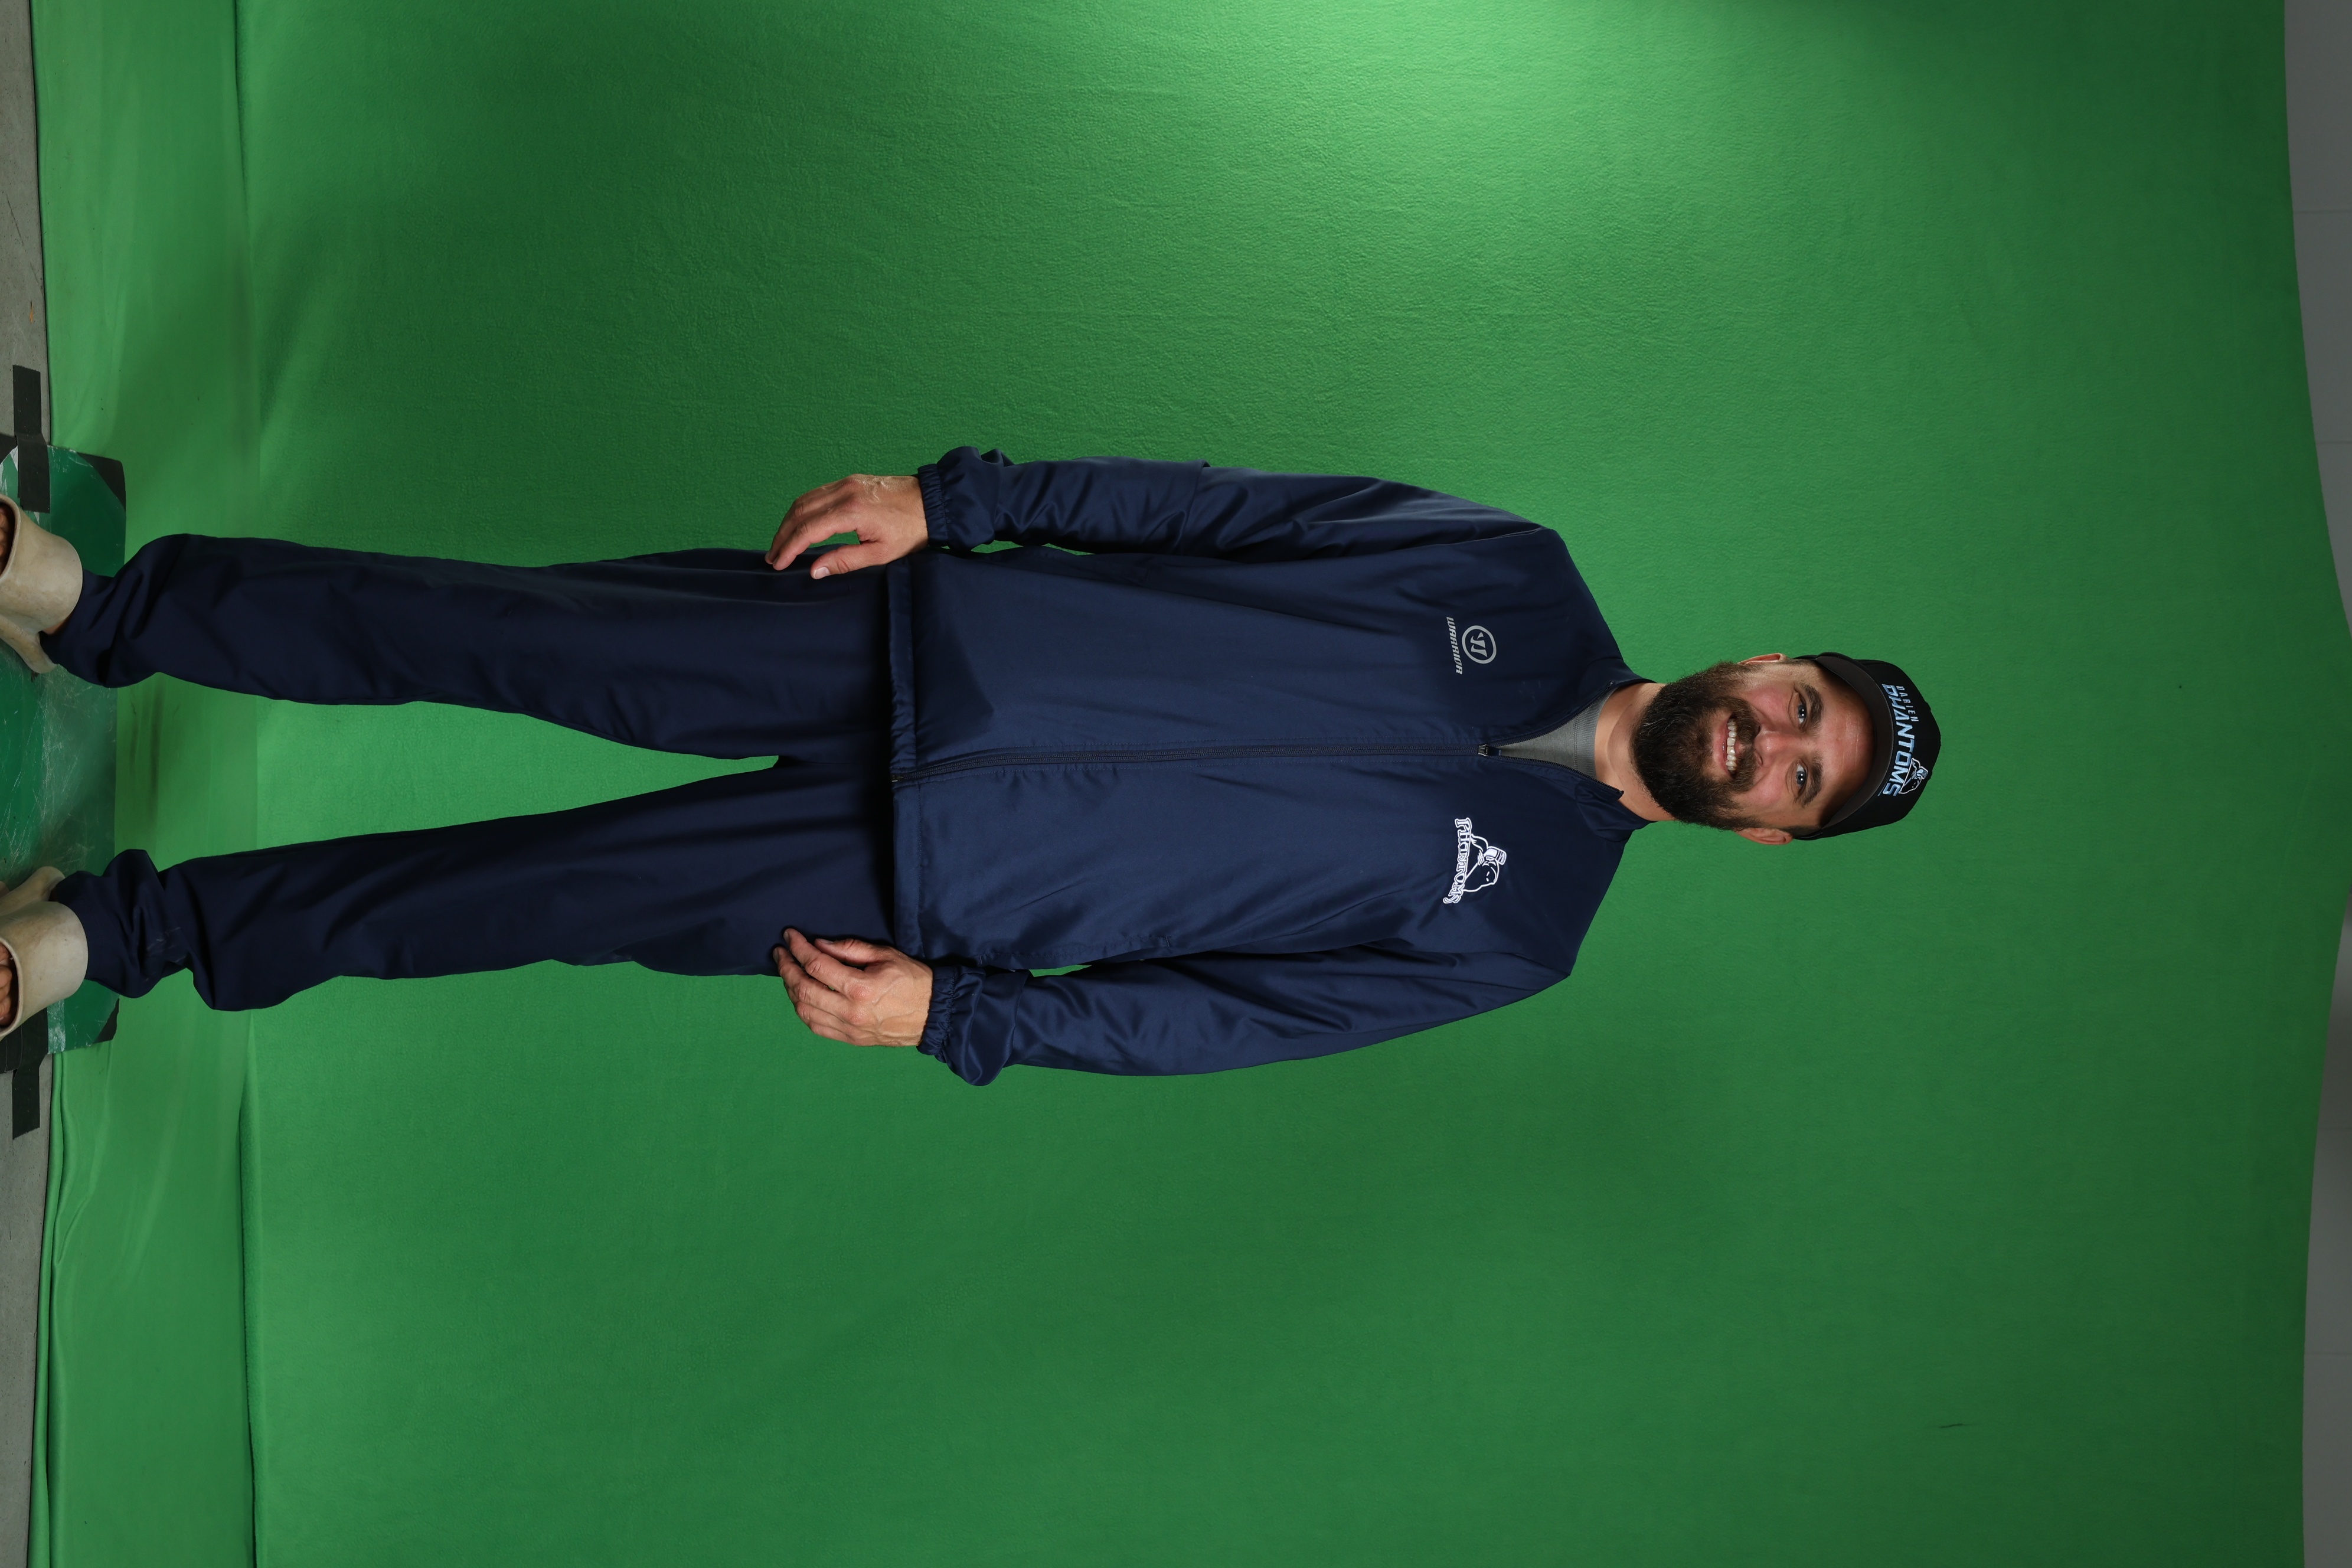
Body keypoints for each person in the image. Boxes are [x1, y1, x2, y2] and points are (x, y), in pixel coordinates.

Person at [0, 449, 1941, 1083]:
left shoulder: (1524, 933)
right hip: (914, 634)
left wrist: (965, 1016)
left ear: (1774, 834)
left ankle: (113, 935)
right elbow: (1228, 513)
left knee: (498, 899)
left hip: (920, 890)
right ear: (1771, 659)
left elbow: (1224, 1022)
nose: (1770, 741)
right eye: (1802, 705)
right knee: (484, 627)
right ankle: (89, 602)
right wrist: (962, 498)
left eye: (1804, 775)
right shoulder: (1514, 575)